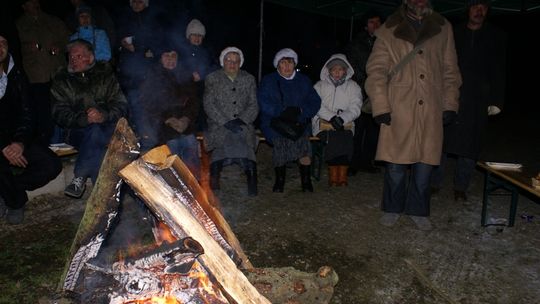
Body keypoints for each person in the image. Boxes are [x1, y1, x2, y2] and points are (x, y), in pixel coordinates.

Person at [365, 0, 462, 230]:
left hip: (431, 106)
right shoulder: (389, 29)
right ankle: (392, 207)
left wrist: (450, 104)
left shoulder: (443, 27)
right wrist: (381, 106)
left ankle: (419, 209)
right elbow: (376, 70)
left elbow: (451, 70)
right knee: (396, 166)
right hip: (399, 106)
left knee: (425, 164)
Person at [431, 0, 507, 202]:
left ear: (487, 11)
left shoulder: (495, 36)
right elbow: (439, 64)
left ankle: (460, 186)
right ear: (468, 9)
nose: (479, 11)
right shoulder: (452, 33)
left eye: (483, 7)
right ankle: (434, 182)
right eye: (475, 6)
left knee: (470, 144)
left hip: (478, 99)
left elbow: (499, 69)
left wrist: (496, 100)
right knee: (442, 142)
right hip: (451, 96)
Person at [50, 39, 128, 198]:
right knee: (95, 133)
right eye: (71, 57)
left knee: (98, 133)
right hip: (75, 131)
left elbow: (121, 105)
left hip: (106, 127)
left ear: (90, 58)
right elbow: (58, 112)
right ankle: (106, 193)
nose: (73, 60)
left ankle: (81, 177)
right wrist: (83, 119)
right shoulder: (62, 80)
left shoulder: (105, 75)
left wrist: (103, 115)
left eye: (78, 56)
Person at [0, 32, 62, 224]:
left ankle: (8, 190)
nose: (0, 47)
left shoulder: (16, 73)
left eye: (2, 42)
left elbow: (28, 113)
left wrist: (19, 143)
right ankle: (16, 202)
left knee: (52, 165)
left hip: (17, 137)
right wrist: (4, 146)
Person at [258, 48, 321, 193]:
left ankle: (305, 180)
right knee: (279, 141)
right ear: (278, 64)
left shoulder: (303, 81)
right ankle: (280, 181)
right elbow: (263, 102)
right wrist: (281, 111)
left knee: (304, 142)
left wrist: (301, 111)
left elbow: (315, 101)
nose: (287, 66)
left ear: (295, 64)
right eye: (283, 62)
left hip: (299, 121)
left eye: (290, 62)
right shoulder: (269, 80)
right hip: (275, 121)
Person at [203, 47, 259, 196]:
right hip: (219, 124)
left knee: (245, 142)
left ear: (240, 63)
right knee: (221, 145)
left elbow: (253, 105)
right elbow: (209, 104)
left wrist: (242, 120)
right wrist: (226, 122)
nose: (232, 64)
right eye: (229, 60)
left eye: (236, 61)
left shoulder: (249, 79)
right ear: (223, 61)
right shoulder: (212, 78)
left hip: (243, 124)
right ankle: (214, 188)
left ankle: (252, 187)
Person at [138, 47, 201, 179]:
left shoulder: (185, 76)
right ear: (160, 58)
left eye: (174, 56)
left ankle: (194, 185)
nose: (171, 59)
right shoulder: (153, 77)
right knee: (173, 145)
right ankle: (173, 185)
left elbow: (194, 101)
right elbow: (147, 104)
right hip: (161, 124)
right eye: (167, 55)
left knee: (190, 142)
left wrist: (186, 118)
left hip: (184, 123)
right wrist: (168, 119)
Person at [16, 0, 70, 144]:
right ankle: (46, 144)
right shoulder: (19, 25)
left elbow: (68, 40)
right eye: (30, 2)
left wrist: (60, 46)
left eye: (36, 1)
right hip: (35, 76)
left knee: (62, 108)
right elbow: (13, 48)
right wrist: (28, 47)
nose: (35, 4)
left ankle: (66, 143)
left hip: (57, 72)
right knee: (42, 112)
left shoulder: (53, 20)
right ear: (24, 6)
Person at [312, 54, 362, 187]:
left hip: (345, 124)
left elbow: (356, 107)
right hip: (323, 124)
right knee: (333, 137)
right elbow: (315, 105)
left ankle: (342, 174)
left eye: (340, 69)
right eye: (334, 69)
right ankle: (334, 175)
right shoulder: (320, 86)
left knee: (346, 137)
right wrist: (332, 118)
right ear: (329, 70)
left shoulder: (353, 87)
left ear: (346, 70)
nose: (337, 72)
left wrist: (342, 119)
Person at [346, 11, 383, 175]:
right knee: (358, 129)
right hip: (360, 92)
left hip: (379, 93)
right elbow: (352, 67)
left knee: (374, 130)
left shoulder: (385, 43)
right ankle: (353, 163)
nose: (375, 25)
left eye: (378, 22)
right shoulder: (356, 44)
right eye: (371, 22)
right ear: (365, 25)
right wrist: (367, 83)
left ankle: (367, 161)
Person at [117, 0, 162, 134]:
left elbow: (155, 40)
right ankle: (131, 133)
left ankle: (148, 134)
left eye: (140, 1)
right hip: (128, 69)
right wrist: (123, 44)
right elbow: (118, 38)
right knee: (130, 101)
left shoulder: (152, 19)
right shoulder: (126, 18)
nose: (137, 4)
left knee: (146, 101)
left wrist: (137, 47)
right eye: (134, 1)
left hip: (147, 69)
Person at [178, 18, 217, 131]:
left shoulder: (207, 51)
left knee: (204, 115)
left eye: (200, 35)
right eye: (194, 35)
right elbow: (178, 70)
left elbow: (215, 67)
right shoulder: (182, 52)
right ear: (188, 36)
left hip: (204, 89)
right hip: (187, 90)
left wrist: (203, 74)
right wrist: (190, 75)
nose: (197, 38)